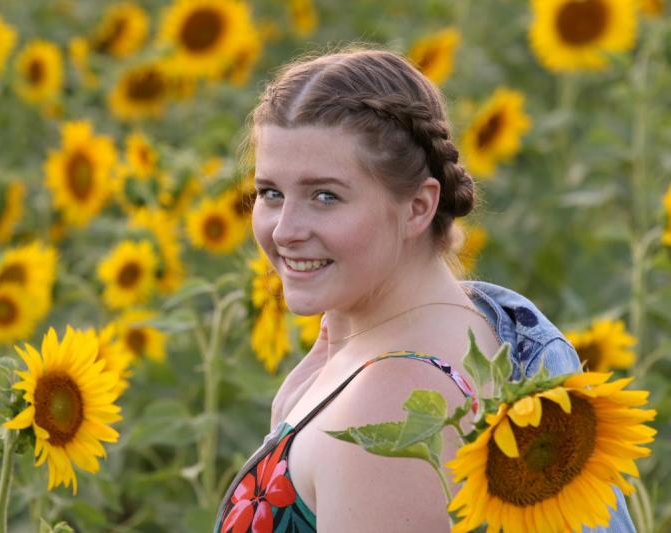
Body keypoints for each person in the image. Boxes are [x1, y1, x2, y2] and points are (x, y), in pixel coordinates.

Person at [214, 48, 635, 532]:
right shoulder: (492, 315)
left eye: (325, 196)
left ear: (418, 207)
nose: (285, 229)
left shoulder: (392, 421)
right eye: (271, 193)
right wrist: (288, 422)